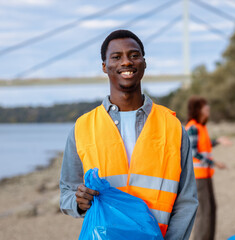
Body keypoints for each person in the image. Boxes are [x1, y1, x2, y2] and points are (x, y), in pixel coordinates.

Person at [59, 29, 198, 240]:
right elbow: (67, 193)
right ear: (105, 67)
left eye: (134, 55)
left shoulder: (173, 127)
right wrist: (79, 202)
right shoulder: (82, 128)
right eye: (116, 57)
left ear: (144, 62)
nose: (126, 62)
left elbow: (186, 200)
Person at [185, 96, 231, 240]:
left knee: (211, 209)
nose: (208, 109)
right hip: (198, 177)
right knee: (204, 212)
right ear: (198, 110)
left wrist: (217, 141)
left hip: (205, 175)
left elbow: (204, 145)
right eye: (206, 107)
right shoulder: (192, 127)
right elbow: (193, 151)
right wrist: (214, 163)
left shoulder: (201, 127)